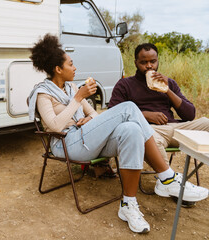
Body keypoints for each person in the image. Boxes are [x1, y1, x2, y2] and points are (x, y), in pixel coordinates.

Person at [27, 34, 208, 234]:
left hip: (86, 137)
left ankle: (128, 205)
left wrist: (89, 118)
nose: (75, 67)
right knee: (128, 108)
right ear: (58, 69)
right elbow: (53, 126)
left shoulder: (71, 88)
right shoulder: (44, 93)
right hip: (66, 144)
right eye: (71, 64)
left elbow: (94, 114)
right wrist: (78, 98)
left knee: (131, 130)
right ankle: (166, 177)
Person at [109, 43, 209, 164]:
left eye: (153, 61)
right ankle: (168, 180)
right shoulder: (125, 84)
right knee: (151, 138)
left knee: (206, 123)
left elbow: (189, 115)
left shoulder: (169, 83)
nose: (149, 66)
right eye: (143, 62)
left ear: (158, 61)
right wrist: (145, 115)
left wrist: (167, 90)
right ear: (136, 63)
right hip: (150, 130)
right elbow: (112, 115)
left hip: (175, 128)